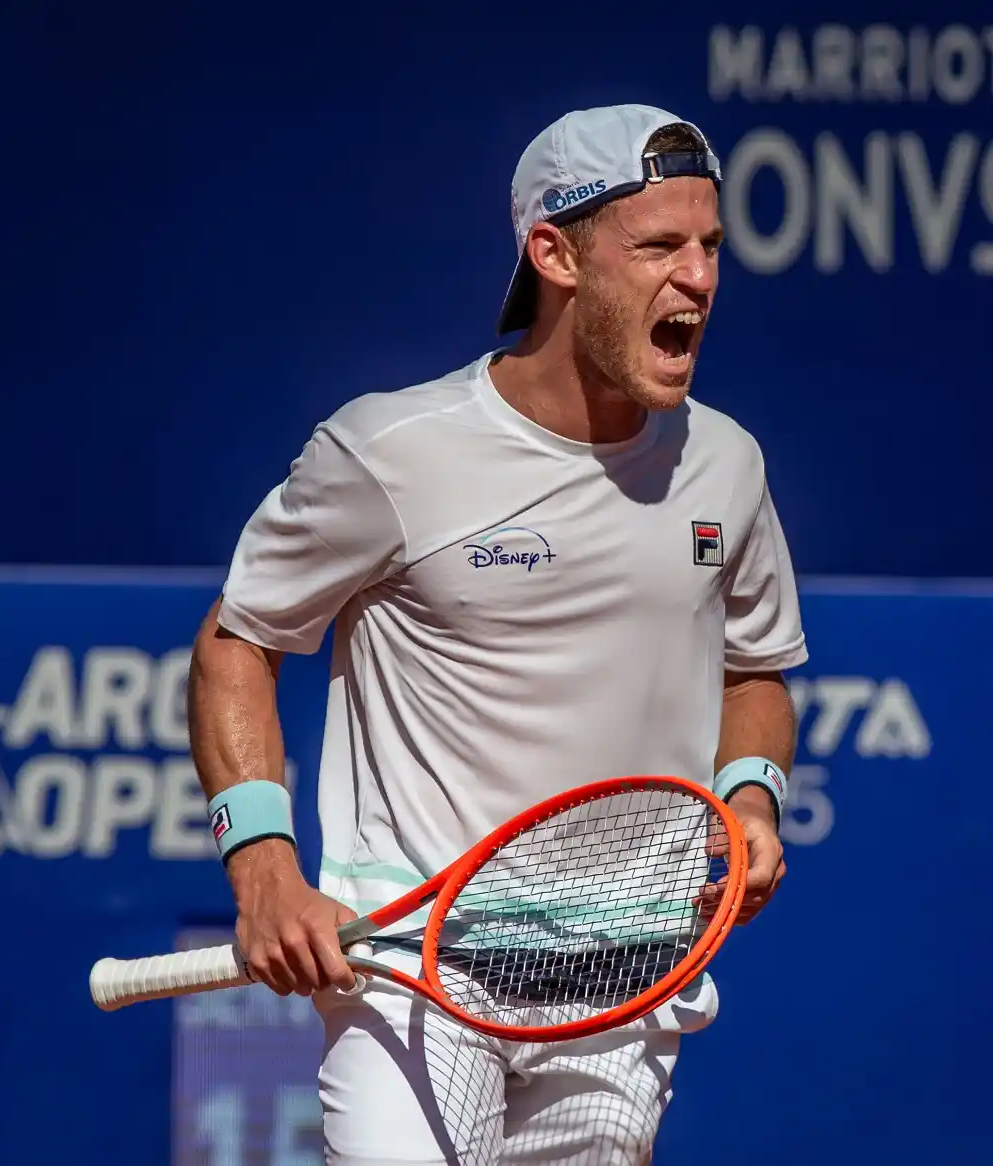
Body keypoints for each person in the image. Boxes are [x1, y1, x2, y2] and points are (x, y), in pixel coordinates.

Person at [188, 103, 808, 1166]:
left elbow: (752, 668)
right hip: (415, 975)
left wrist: (750, 795)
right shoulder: (391, 451)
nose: (698, 280)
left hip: (625, 983)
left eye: (709, 247)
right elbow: (235, 640)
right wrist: (261, 865)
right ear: (554, 254)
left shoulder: (729, 465)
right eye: (658, 246)